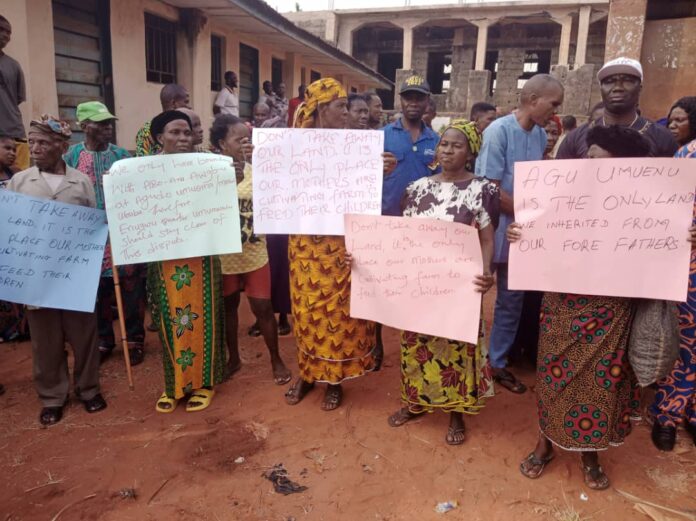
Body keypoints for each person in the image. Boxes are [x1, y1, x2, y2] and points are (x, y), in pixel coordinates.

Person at [514, 125, 652, 490]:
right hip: (563, 302)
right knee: (553, 376)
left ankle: (590, 452)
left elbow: (658, 248)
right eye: (587, 155)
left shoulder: (645, 204)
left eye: (596, 156)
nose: (587, 161)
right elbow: (537, 233)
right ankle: (545, 444)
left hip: (612, 306)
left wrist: (683, 239)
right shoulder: (562, 196)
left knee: (602, 383)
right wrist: (520, 233)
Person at [387, 120, 497, 445]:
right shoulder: (418, 188)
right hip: (420, 285)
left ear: (470, 152)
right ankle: (417, 402)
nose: (448, 150)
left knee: (455, 350)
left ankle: (456, 413)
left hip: (459, 287)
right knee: (416, 345)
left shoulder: (482, 189)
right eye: (444, 144)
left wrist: (486, 271)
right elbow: (403, 237)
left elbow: (487, 238)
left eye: (457, 145)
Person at [284, 78, 385, 411]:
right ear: (321, 109)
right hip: (304, 244)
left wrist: (378, 168)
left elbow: (361, 191)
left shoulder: (357, 147)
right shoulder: (293, 147)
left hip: (342, 241)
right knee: (306, 309)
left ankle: (335, 379)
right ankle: (308, 373)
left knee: (339, 312)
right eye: (340, 105)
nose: (347, 111)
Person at [7, 115, 107, 425]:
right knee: (45, 339)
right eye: (32, 141)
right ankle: (52, 397)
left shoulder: (80, 181)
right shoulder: (20, 182)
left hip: (74, 274)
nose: (34, 148)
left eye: (43, 143)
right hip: (36, 275)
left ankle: (89, 389)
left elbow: (90, 223)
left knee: (84, 334)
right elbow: (10, 227)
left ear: (61, 147)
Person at [475, 73, 564, 394]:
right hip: (493, 229)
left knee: (511, 299)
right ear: (532, 99)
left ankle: (496, 362)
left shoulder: (540, 136)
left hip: (522, 234)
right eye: (553, 105)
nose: (554, 113)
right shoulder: (499, 131)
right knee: (476, 294)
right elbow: (490, 189)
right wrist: (532, 214)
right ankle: (465, 358)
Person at [147, 110, 226, 413]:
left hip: (201, 254)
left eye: (187, 133)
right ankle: (175, 384)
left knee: (204, 315)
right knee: (169, 318)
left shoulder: (209, 166)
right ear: (159, 137)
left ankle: (205, 383)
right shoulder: (143, 172)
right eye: (174, 132)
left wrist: (234, 174)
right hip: (164, 256)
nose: (183, 138)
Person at [209, 114, 292, 385]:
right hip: (224, 255)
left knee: (263, 308)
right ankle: (233, 358)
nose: (245, 144)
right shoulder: (209, 173)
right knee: (229, 308)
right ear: (222, 144)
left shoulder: (260, 170)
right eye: (238, 139)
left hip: (255, 251)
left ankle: (275, 359)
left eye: (248, 139)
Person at [63, 101, 146, 366]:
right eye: (101, 123)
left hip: (121, 232)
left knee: (130, 287)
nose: (108, 128)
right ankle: (103, 339)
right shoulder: (70, 159)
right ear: (84, 126)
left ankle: (134, 339)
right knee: (95, 289)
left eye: (109, 123)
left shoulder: (122, 157)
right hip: (87, 236)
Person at [379, 75, 440, 369]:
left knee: (416, 286)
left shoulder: (436, 141)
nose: (413, 103)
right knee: (381, 285)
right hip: (387, 222)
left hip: (423, 227)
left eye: (419, 97)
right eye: (408, 97)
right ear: (400, 100)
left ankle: (413, 346)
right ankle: (376, 342)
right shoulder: (383, 135)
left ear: (427, 101)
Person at [650, 132, 696, 451]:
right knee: (686, 340)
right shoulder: (688, 156)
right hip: (691, 268)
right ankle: (667, 413)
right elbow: (667, 209)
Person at [557, 57, 677, 159]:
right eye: (609, 81)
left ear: (639, 88)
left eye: (627, 81)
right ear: (601, 89)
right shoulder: (575, 138)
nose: (617, 87)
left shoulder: (662, 137)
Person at [0, 134, 26, 346]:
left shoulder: (17, 175)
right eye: (6, 148)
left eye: (14, 149)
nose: (12, 153)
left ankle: (18, 328)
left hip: (14, 238)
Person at [0, 15, 29, 172]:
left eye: (8, 32)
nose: (5, 35)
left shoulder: (14, 65)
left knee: (20, 181)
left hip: (14, 133)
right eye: (1, 30)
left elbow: (16, 99)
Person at [135, 84, 190, 156]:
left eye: (187, 133)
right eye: (186, 102)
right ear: (174, 103)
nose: (189, 107)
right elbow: (142, 161)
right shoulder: (147, 131)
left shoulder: (188, 125)